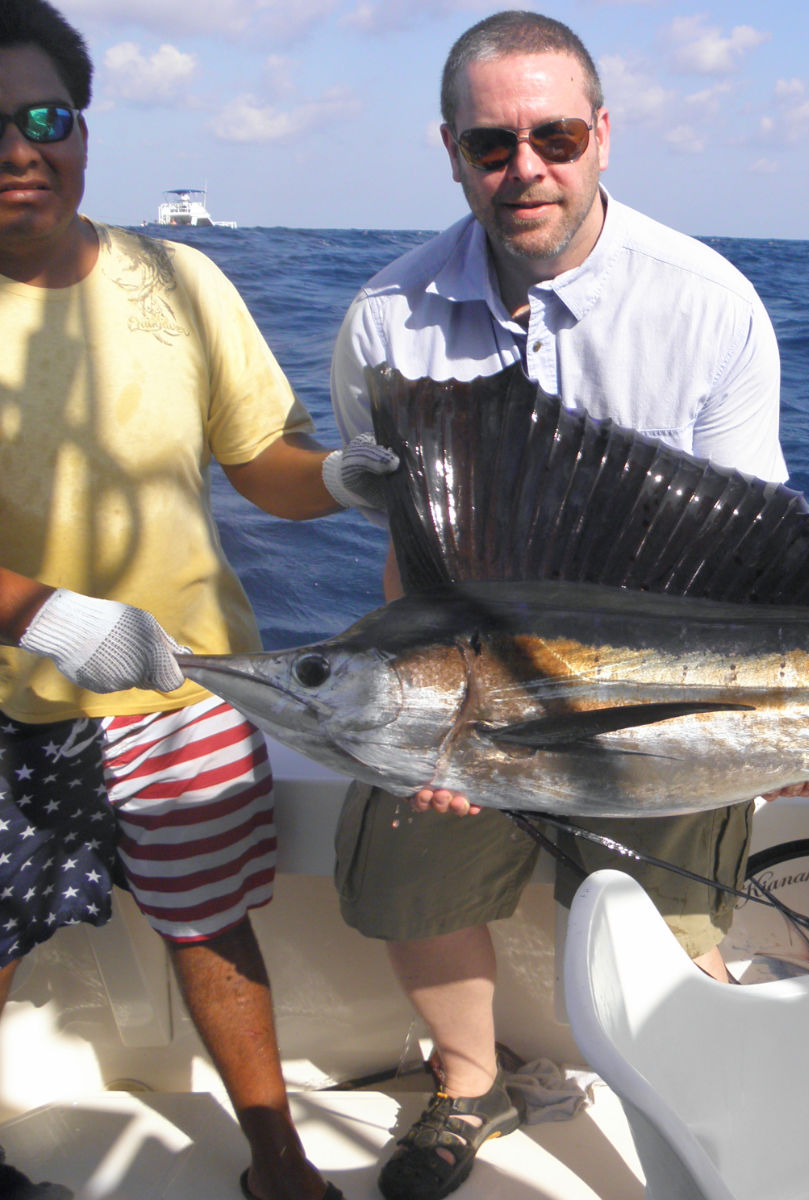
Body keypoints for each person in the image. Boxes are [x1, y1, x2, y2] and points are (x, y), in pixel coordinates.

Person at [326, 12, 805, 1199]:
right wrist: (433, 730)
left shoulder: (709, 303)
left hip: (658, 692)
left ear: (602, 134)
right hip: (468, 686)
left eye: (554, 137)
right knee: (399, 878)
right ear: (451, 151)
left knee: (673, 948)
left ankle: (707, 1113)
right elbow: (407, 557)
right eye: (492, 145)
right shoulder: (386, 317)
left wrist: (772, 731)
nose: (525, 168)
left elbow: (750, 561)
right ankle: (466, 1081)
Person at [0, 4, 396, 1197]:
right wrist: (41, 615)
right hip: (10, 706)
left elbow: (260, 462)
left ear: (82, 128)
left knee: (212, 923)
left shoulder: (181, 279)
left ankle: (278, 1161)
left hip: (185, 686)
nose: (19, 149)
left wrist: (342, 479)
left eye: (43, 117)